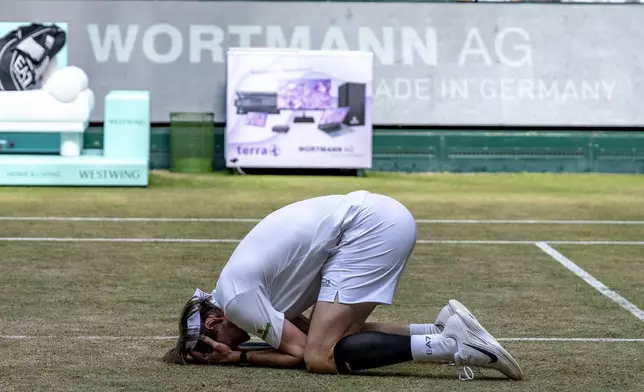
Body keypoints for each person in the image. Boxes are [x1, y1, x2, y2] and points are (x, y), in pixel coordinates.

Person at [163, 191, 523, 381]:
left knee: (322, 356)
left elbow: (305, 353)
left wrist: (239, 357)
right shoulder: (241, 291)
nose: (224, 349)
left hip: (368, 228)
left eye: (213, 347)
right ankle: (440, 328)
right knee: (334, 338)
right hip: (375, 217)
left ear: (213, 325)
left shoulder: (238, 302)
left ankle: (451, 345)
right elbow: (309, 331)